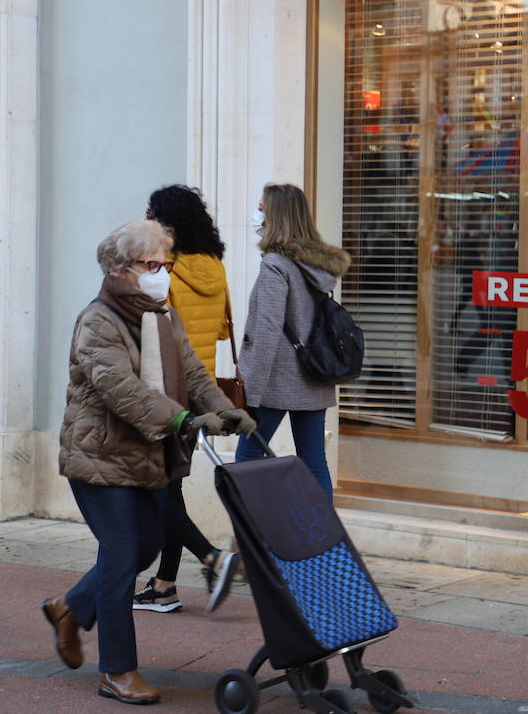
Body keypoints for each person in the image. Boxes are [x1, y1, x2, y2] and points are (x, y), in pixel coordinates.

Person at [40, 219, 254, 705]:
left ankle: (68, 609)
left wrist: (222, 409)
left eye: (165, 264)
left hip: (145, 458)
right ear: (121, 269)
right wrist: (183, 420)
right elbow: (122, 390)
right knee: (121, 559)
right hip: (99, 457)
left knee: (143, 552)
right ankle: (116, 670)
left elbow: (194, 373)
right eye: (150, 265)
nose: (161, 273)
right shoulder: (99, 320)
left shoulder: (163, 315)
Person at [133, 185, 239, 615]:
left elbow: (151, 331)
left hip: (165, 389)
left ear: (168, 224)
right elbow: (220, 332)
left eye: (150, 213)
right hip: (201, 389)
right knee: (170, 485)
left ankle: (208, 557)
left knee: (158, 488)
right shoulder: (214, 268)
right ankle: (165, 584)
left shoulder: (166, 273)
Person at [234, 183, 350, 498]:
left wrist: (250, 392)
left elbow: (267, 330)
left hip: (274, 383)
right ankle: (324, 544)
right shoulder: (317, 266)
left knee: (245, 459)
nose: (256, 215)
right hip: (314, 375)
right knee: (313, 462)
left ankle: (253, 539)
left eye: (261, 208)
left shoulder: (276, 265)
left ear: (276, 216)